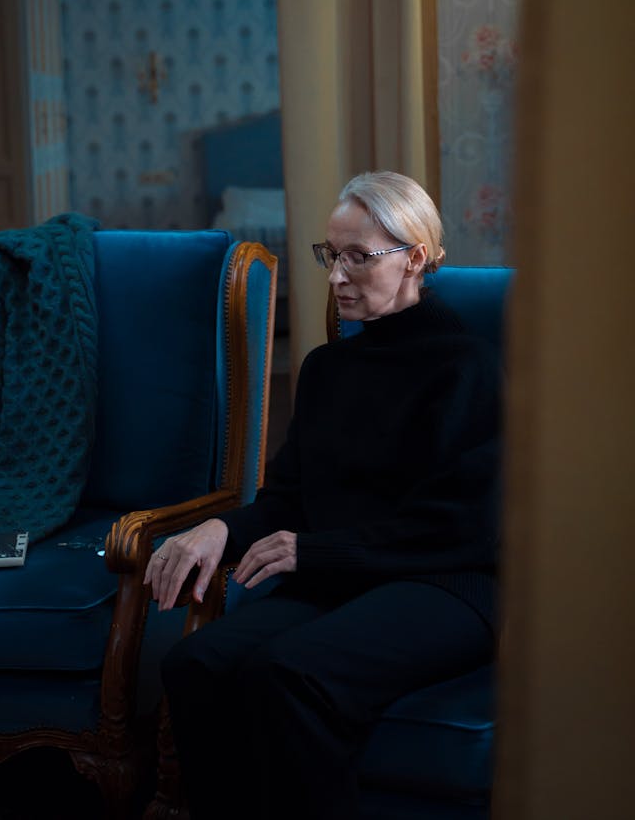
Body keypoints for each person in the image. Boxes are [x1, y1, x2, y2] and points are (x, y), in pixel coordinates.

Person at [145, 170, 502, 820]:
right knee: (197, 662)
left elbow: (463, 526)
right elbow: (287, 497)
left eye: (358, 257)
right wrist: (220, 529)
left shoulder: (468, 366)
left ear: (415, 258)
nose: (336, 275)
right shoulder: (325, 369)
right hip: (339, 575)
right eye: (330, 254)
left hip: (448, 582)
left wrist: (314, 551)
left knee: (288, 672)